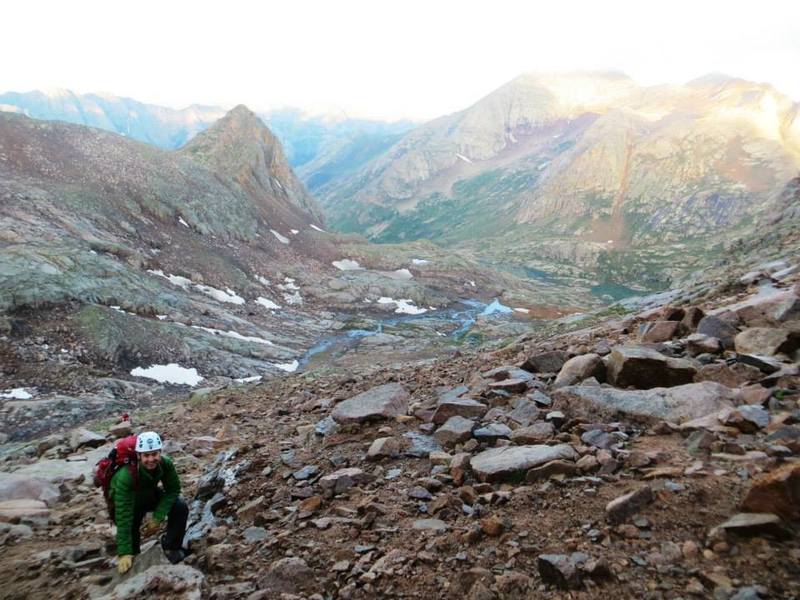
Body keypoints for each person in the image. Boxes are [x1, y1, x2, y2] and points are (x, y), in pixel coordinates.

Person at [110, 431, 189, 574]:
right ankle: (133, 557)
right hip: (129, 502)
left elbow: (173, 490)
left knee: (180, 507)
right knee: (131, 540)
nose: (151, 459)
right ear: (139, 456)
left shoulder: (165, 463)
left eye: (154, 454)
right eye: (146, 455)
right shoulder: (125, 476)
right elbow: (123, 515)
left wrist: (157, 518)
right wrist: (124, 552)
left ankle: (171, 547)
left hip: (149, 493)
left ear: (160, 453)